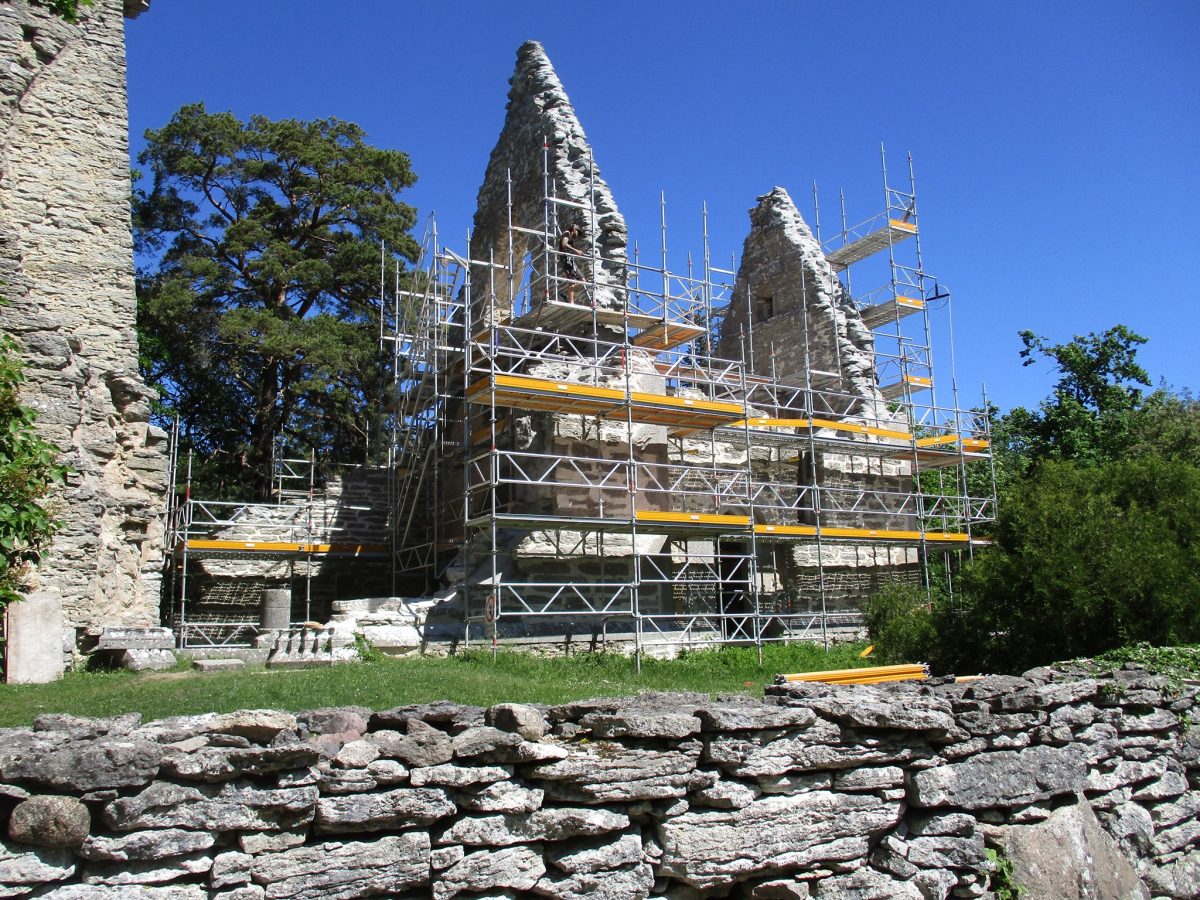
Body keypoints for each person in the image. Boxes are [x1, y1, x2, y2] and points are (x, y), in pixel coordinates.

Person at [557, 224, 585, 304]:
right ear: (574, 229)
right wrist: (576, 250)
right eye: (578, 232)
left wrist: (574, 252)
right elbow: (564, 244)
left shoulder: (570, 238)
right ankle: (570, 301)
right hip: (566, 260)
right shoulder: (567, 233)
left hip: (570, 260)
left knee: (582, 280)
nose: (578, 235)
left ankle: (566, 295)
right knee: (573, 281)